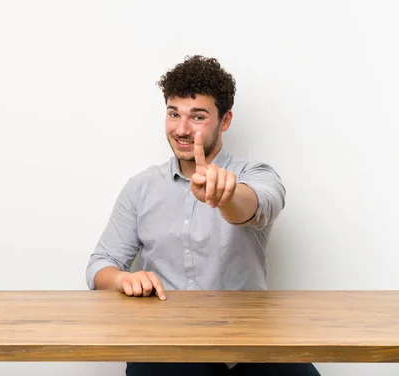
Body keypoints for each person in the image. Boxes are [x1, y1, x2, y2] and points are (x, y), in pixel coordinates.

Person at [85, 55, 321, 376]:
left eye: (197, 117)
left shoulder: (255, 175)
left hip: (251, 345)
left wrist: (226, 195)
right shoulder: (140, 188)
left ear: (224, 121)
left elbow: (258, 206)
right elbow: (100, 265)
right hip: (169, 348)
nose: (182, 130)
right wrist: (124, 279)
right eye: (173, 114)